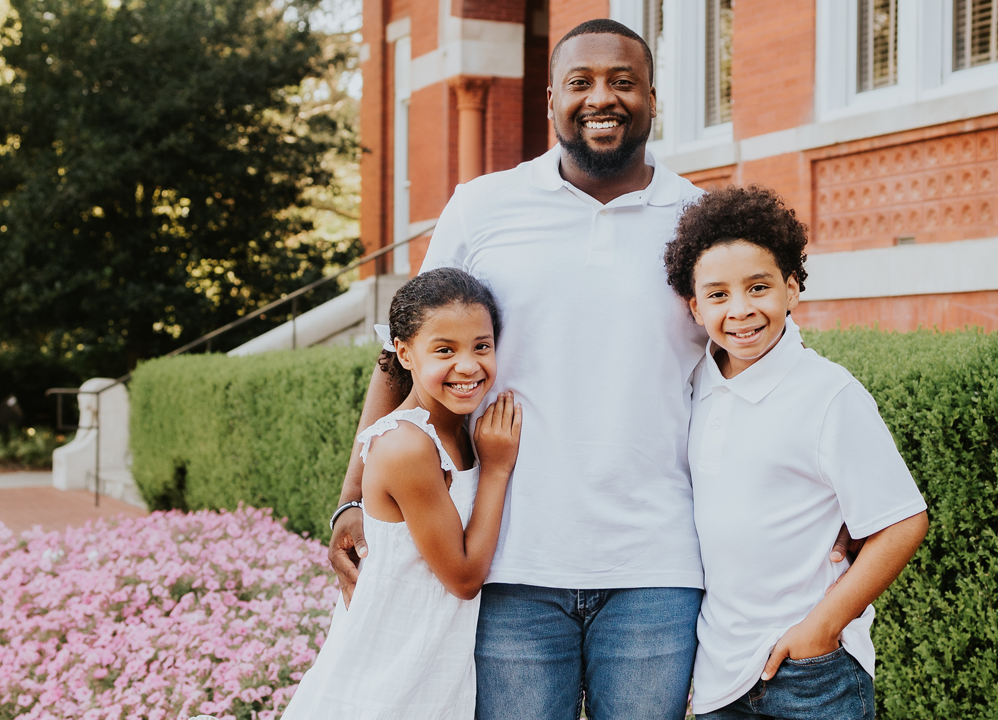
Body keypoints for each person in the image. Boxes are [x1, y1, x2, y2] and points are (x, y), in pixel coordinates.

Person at [327, 18, 862, 719]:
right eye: (580, 83)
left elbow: (761, 369)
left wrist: (835, 495)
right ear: (551, 99)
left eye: (622, 82)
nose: (601, 98)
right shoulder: (483, 207)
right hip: (509, 564)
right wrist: (353, 495)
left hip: (659, 568)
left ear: (652, 99)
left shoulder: (697, 218)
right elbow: (406, 351)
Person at [662, 185, 930, 720]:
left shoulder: (829, 394)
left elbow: (903, 521)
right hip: (722, 676)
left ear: (792, 289)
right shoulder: (695, 386)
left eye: (758, 287)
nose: (740, 310)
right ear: (694, 307)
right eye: (717, 295)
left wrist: (821, 628)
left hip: (811, 674)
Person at [282, 268, 521, 719]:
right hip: (387, 675)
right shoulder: (407, 446)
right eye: (444, 350)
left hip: (429, 665)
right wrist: (496, 469)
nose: (468, 365)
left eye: (481, 346)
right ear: (405, 352)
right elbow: (465, 578)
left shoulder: (458, 426)